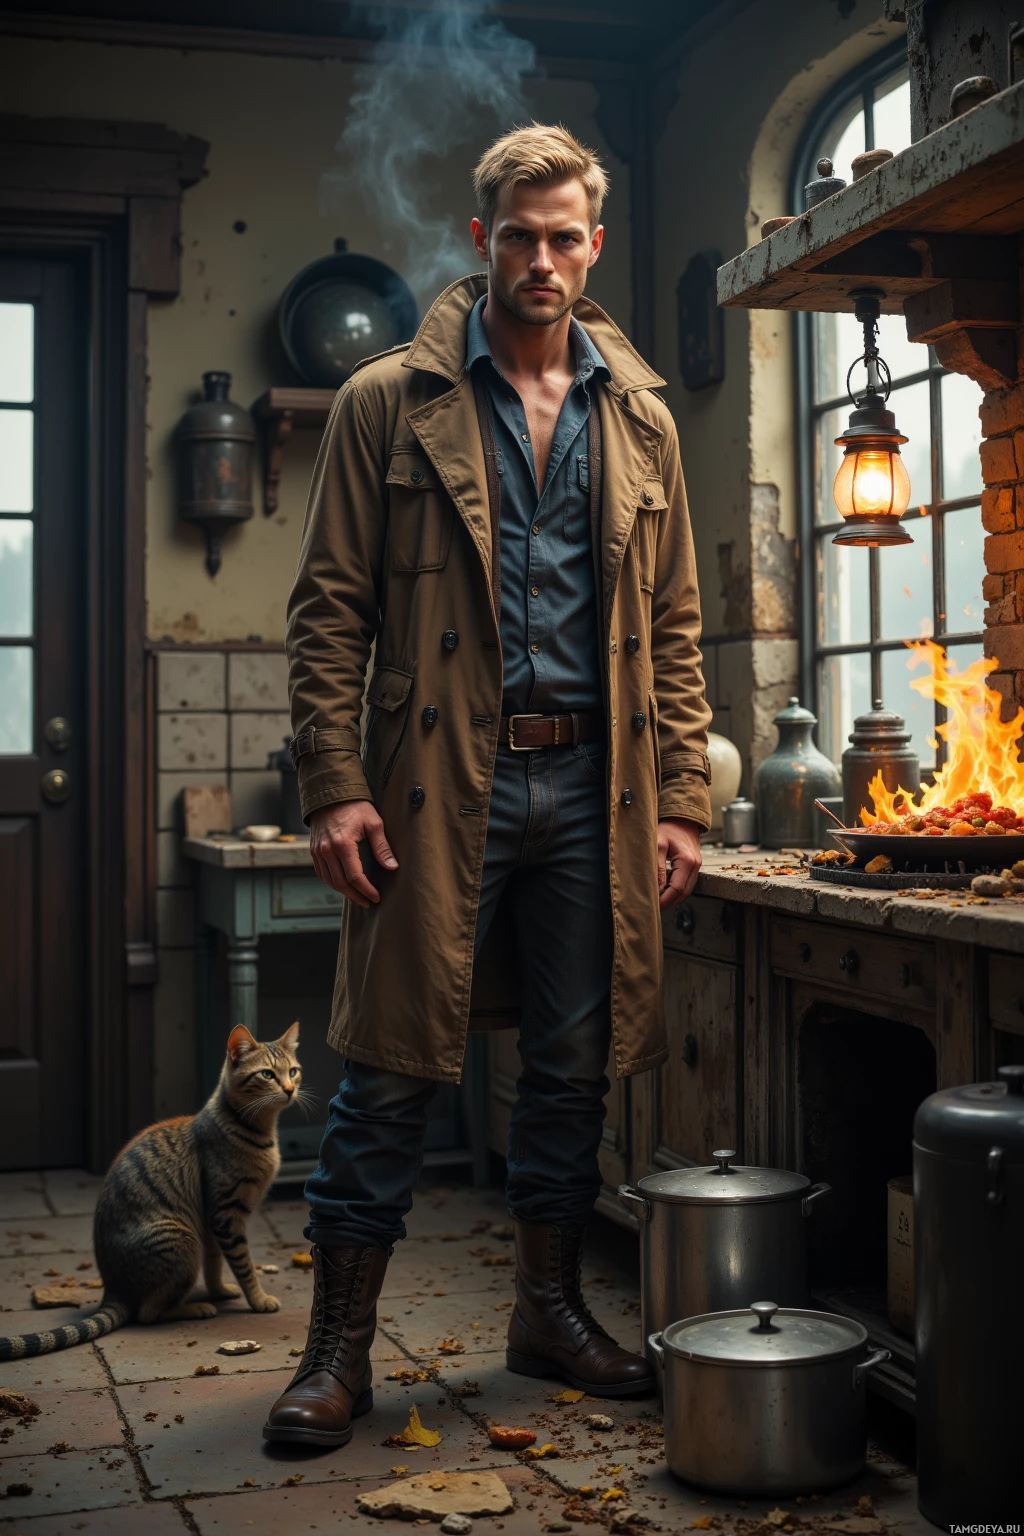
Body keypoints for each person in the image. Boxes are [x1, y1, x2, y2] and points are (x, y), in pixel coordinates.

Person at [264, 123, 711, 1449]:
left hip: (598, 790)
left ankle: (547, 1311)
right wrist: (335, 784)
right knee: (391, 1068)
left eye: (565, 236)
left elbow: (676, 624)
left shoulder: (641, 417)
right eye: (518, 234)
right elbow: (326, 613)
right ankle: (337, 1352)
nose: (542, 258)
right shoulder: (384, 403)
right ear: (482, 239)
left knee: (574, 1066)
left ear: (595, 245)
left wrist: (684, 794)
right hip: (432, 785)